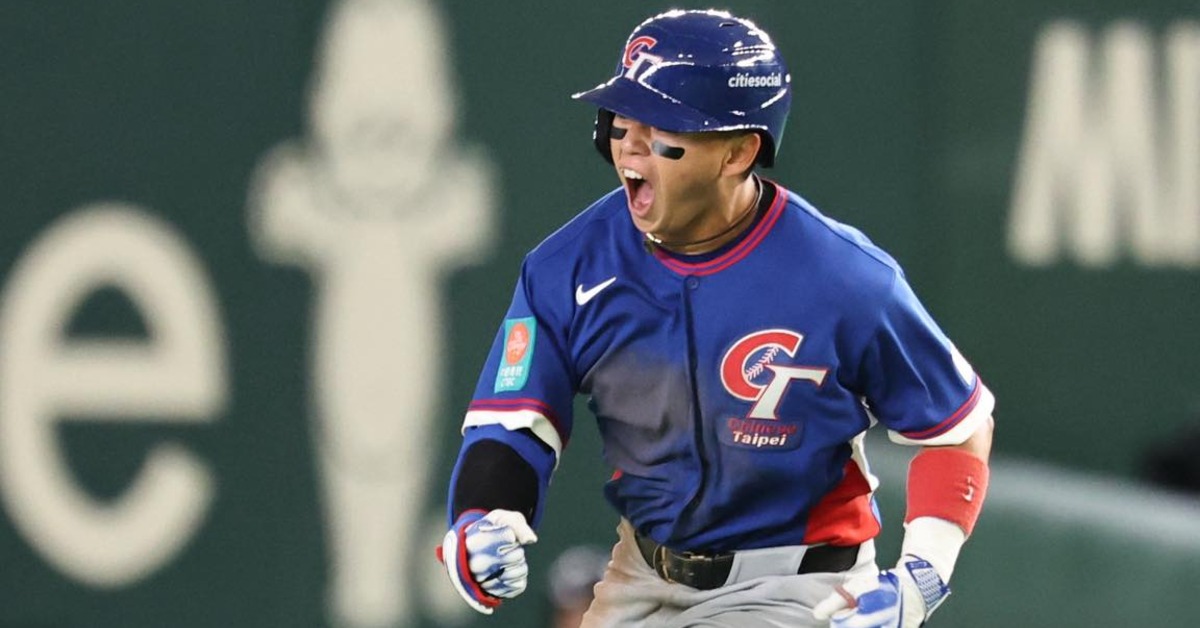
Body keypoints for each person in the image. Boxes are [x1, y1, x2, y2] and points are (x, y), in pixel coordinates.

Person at [438, 9, 995, 627]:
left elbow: (958, 426)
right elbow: (512, 421)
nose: (630, 144)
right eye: (622, 121)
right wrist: (480, 518)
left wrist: (923, 574)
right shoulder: (567, 266)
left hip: (797, 585)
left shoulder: (845, 277)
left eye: (661, 128)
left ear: (738, 152)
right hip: (642, 574)